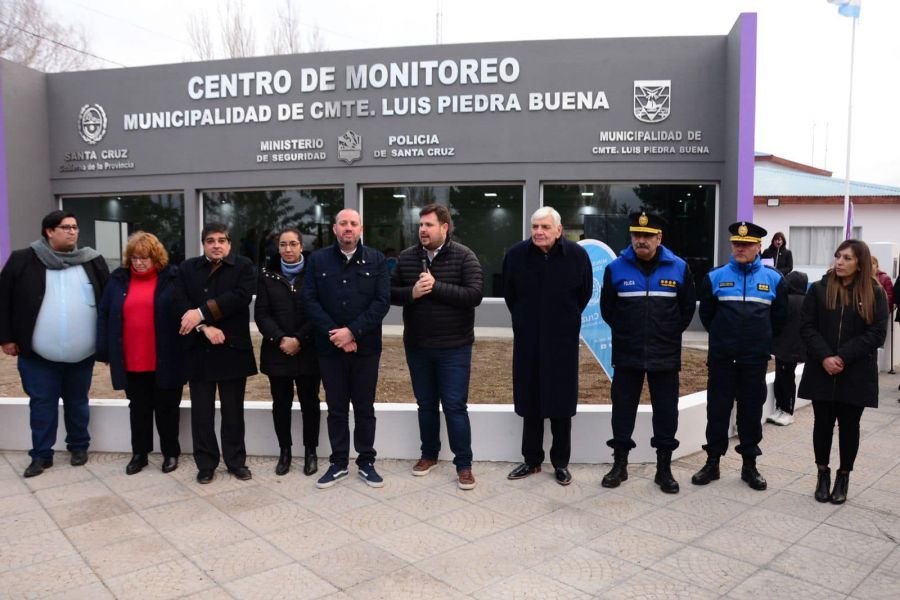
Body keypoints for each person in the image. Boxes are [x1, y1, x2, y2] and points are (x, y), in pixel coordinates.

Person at [0, 210, 109, 477]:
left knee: (77, 402)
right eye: (66, 227)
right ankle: (41, 455)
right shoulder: (23, 260)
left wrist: (107, 344)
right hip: (37, 354)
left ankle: (79, 447)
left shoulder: (91, 261)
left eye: (75, 227)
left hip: (81, 353)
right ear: (49, 231)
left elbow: (107, 303)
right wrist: (6, 338)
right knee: (42, 404)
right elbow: (4, 300)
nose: (73, 232)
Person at [600, 211, 696, 494]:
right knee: (622, 410)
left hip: (665, 354)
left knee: (666, 413)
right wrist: (627, 333)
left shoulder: (679, 268)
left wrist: (665, 334)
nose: (641, 241)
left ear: (659, 238)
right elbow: (608, 309)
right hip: (627, 353)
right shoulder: (615, 268)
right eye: (636, 235)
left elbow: (686, 310)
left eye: (647, 236)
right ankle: (619, 465)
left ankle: (663, 469)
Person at [390, 203, 483, 490]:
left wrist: (437, 286)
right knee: (426, 404)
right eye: (420, 225)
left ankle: (464, 465)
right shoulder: (407, 258)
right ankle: (428, 454)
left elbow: (475, 295)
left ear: (444, 227)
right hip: (418, 346)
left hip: (454, 347)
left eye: (428, 225)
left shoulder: (464, 256)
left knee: (455, 406)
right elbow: (389, 293)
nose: (422, 230)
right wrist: (412, 293)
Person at [693, 221, 787, 491]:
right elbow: (708, 316)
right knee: (717, 412)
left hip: (754, 361)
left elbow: (779, 319)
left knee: (750, 412)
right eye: (737, 243)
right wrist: (725, 340)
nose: (741, 248)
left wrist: (760, 343)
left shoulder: (774, 279)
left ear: (759, 247)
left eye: (747, 244)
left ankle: (749, 465)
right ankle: (712, 462)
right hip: (723, 359)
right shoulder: (714, 277)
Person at [502, 206, 592, 486]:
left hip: (562, 342)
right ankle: (531, 459)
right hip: (528, 341)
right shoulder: (516, 255)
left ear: (558, 230)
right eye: (535, 227)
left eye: (545, 227)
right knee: (530, 400)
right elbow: (510, 295)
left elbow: (584, 294)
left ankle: (561, 463)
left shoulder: (577, 256)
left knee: (561, 403)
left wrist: (563, 321)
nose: (539, 232)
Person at [304, 209, 390, 489]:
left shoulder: (376, 259)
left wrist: (352, 332)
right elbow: (310, 301)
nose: (348, 228)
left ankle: (366, 461)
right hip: (330, 350)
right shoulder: (317, 260)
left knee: (365, 407)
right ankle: (338, 462)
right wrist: (337, 335)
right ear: (334, 228)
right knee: (336, 408)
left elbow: (381, 302)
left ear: (361, 228)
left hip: (365, 349)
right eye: (343, 224)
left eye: (353, 224)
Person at [799, 240, 888, 504]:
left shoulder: (875, 293)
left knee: (850, 427)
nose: (840, 262)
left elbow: (877, 334)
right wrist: (826, 356)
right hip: (821, 369)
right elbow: (806, 327)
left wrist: (842, 356)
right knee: (822, 425)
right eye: (838, 256)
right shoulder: (818, 289)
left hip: (855, 373)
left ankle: (843, 475)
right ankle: (822, 473)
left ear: (860, 262)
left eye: (847, 258)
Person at [174, 222, 257, 484]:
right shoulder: (188, 268)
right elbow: (180, 301)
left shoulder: (243, 266)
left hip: (233, 349)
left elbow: (240, 297)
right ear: (203, 244)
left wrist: (201, 312)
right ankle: (206, 464)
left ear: (229, 244)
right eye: (211, 240)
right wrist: (204, 326)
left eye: (222, 240)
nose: (217, 245)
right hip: (199, 349)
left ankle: (235, 461)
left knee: (233, 412)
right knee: (202, 412)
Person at [96, 232, 185, 475]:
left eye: (144, 257)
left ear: (155, 257)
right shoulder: (118, 280)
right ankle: (140, 454)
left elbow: (183, 312)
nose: (139, 262)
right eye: (134, 257)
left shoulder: (172, 278)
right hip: (131, 358)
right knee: (138, 409)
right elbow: (104, 313)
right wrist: (103, 349)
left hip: (166, 358)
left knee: (167, 409)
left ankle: (170, 453)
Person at [255, 227, 321, 477]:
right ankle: (285, 451)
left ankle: (311, 452)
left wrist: (300, 339)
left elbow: (318, 311)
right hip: (277, 351)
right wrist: (281, 339)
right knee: (281, 404)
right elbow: (261, 314)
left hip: (309, 350)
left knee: (310, 404)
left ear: (301, 246)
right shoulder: (266, 275)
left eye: (293, 244)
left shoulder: (314, 274)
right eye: (283, 244)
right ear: (278, 247)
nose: (288, 249)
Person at [767, 270, 808, 427]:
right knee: (786, 378)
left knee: (783, 379)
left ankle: (786, 411)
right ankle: (782, 409)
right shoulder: (806, 301)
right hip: (795, 347)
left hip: (784, 346)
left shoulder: (785, 300)